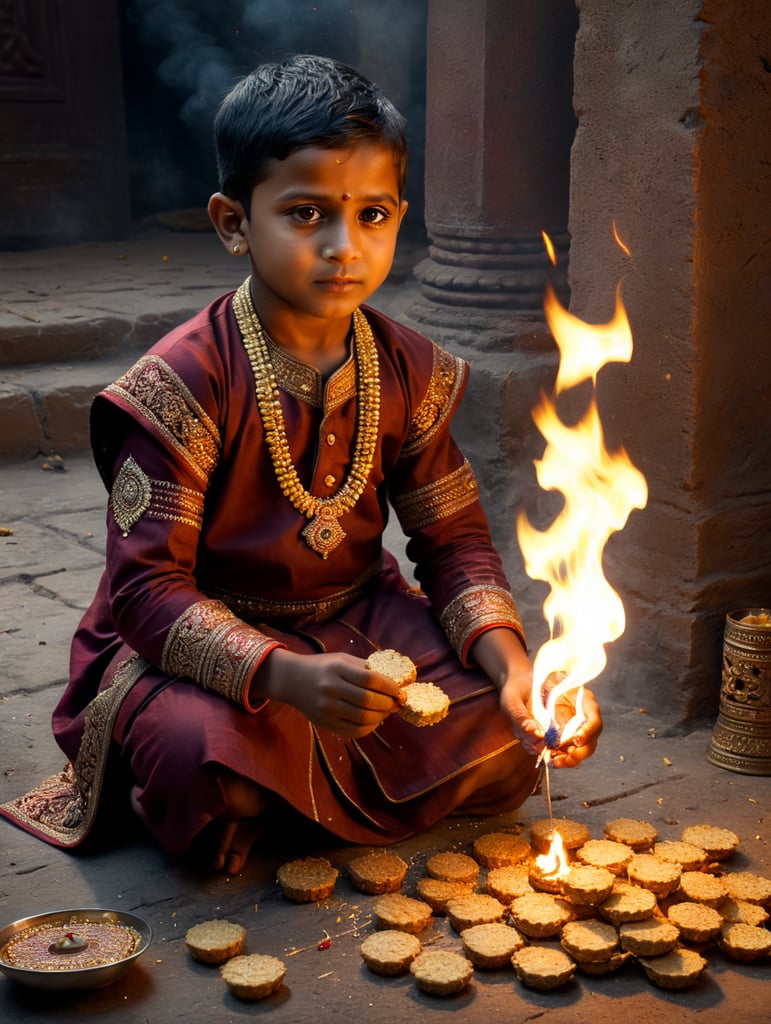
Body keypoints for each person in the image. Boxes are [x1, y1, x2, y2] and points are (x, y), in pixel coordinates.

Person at [5, 55, 601, 875]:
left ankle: (288, 794)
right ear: (231, 222)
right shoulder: (182, 383)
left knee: (511, 737)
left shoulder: (412, 371)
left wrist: (516, 674)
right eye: (307, 214)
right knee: (196, 761)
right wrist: (281, 675)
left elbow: (453, 543)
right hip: (197, 640)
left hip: (358, 621)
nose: (343, 247)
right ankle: (269, 785)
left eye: (374, 214)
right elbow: (146, 594)